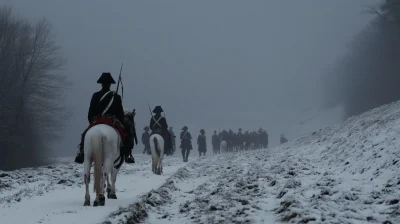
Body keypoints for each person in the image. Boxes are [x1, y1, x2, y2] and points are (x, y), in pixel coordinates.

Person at [74, 72, 132, 163]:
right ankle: (128, 154)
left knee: (84, 134)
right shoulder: (116, 97)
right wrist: (120, 122)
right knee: (127, 134)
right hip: (112, 121)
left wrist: (93, 123)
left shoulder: (95, 95)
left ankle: (81, 152)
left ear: (101, 84)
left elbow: (90, 114)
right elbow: (120, 114)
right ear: (110, 84)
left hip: (97, 121)